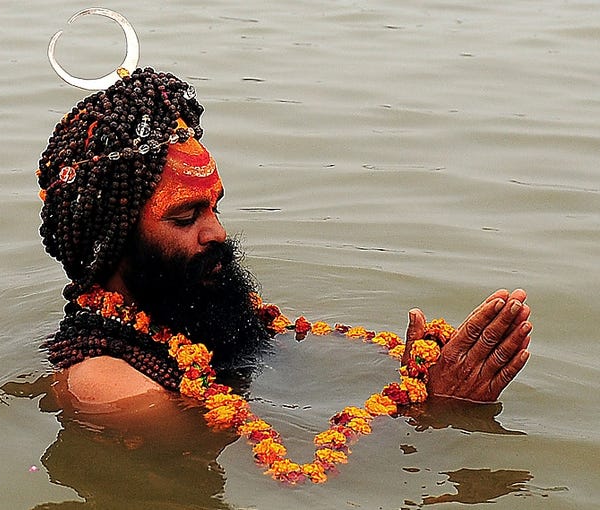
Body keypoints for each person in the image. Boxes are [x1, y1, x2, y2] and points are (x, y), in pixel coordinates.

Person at [37, 67, 531, 417]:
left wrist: (413, 374)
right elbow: (292, 485)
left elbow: (288, 367)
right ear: (114, 243)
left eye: (215, 208)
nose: (217, 234)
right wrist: (440, 410)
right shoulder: (110, 389)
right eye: (186, 217)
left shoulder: (194, 318)